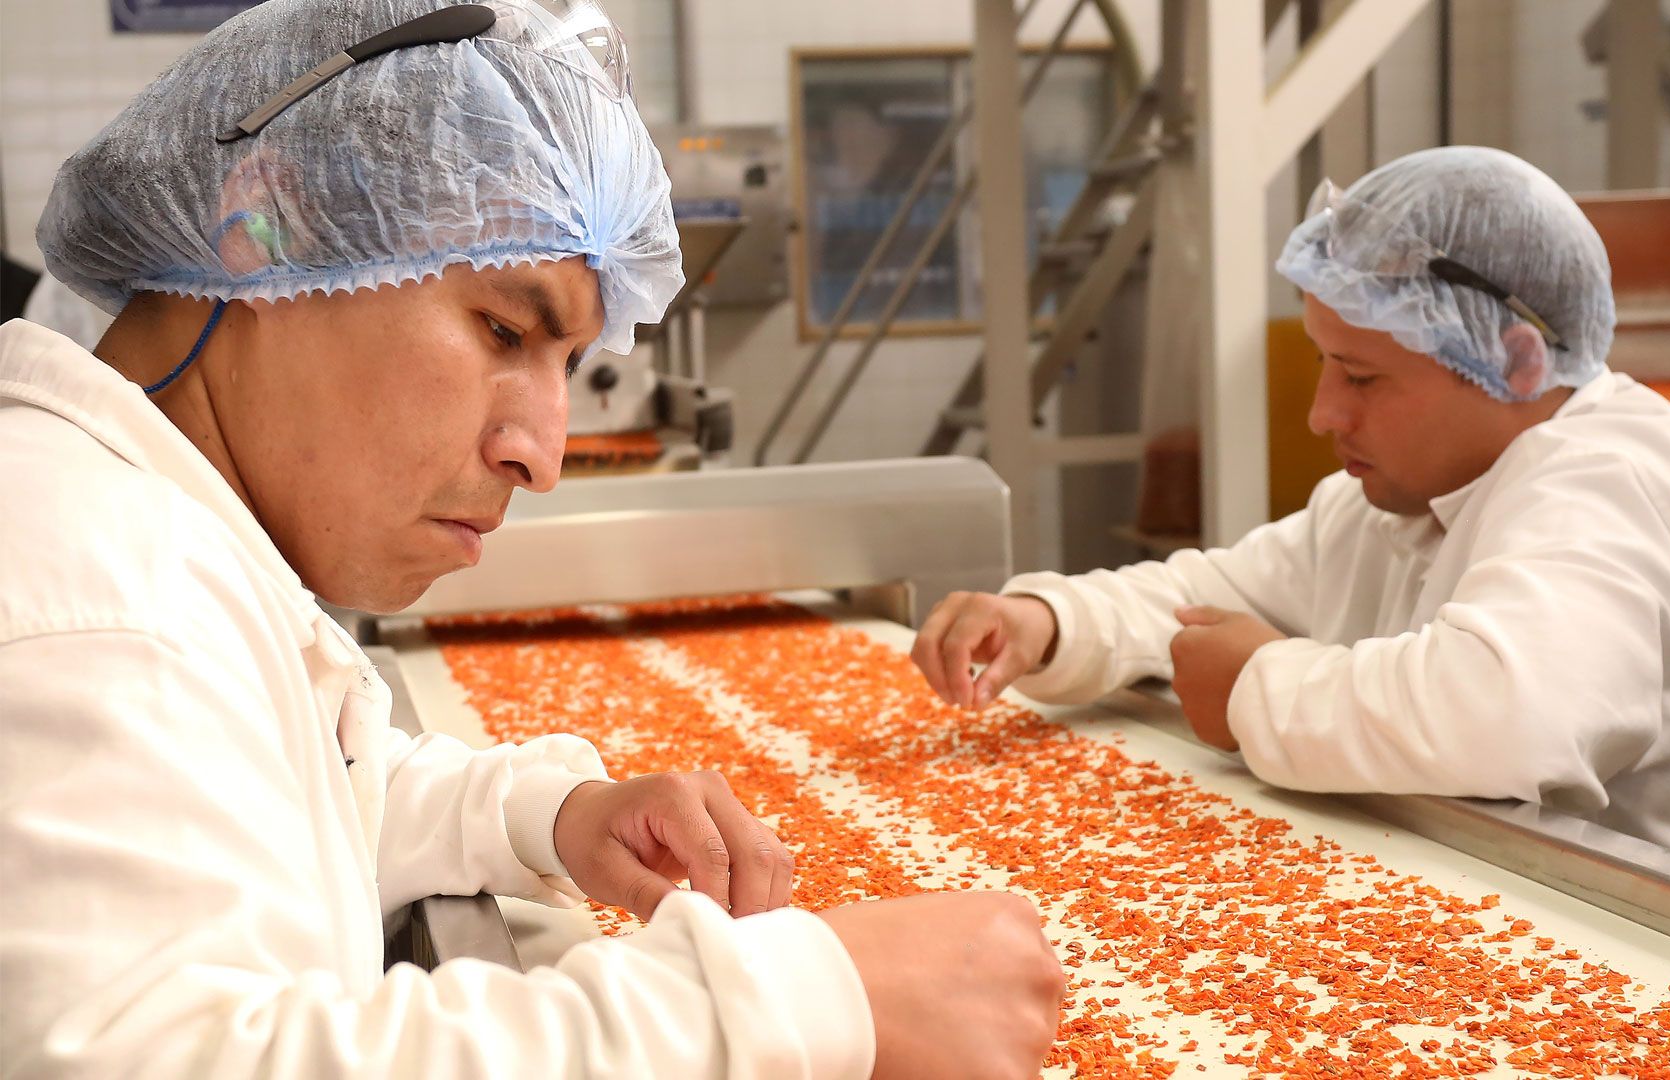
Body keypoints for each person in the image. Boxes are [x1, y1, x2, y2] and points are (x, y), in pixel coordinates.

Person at [0, 2, 1062, 1077]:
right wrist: (792, 1000)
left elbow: (280, 801)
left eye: (566, 363)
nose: (542, 454)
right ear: (265, 226)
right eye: (504, 330)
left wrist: (547, 816)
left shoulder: (156, 547)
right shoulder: (91, 601)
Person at [912, 146, 1670, 905]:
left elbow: (1506, 716)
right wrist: (1050, 622)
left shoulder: (1611, 478)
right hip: (1546, 894)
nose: (1324, 413)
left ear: (1516, 362)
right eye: (1327, 364)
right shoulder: (1411, 490)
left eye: (1361, 377)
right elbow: (1212, 594)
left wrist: (1255, 687)